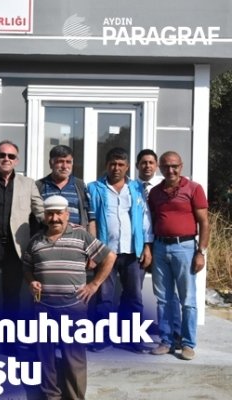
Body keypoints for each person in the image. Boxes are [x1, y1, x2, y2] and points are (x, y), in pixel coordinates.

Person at [23, 195, 115, 400]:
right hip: (43, 307)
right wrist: (31, 281)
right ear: (45, 216)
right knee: (45, 357)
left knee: (74, 358)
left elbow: (109, 257)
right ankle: (51, 396)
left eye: (58, 213)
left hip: (73, 307)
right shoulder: (36, 240)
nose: (54, 218)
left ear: (67, 214)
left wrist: (94, 284)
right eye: (50, 214)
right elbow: (27, 266)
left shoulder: (80, 235)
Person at [87, 147, 153, 353]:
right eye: (113, 164)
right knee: (103, 297)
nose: (116, 168)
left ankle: (132, 337)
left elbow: (145, 219)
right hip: (106, 252)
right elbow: (91, 220)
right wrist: (93, 251)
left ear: (127, 167)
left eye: (121, 164)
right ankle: (102, 337)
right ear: (106, 165)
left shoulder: (136, 188)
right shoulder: (95, 188)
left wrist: (147, 246)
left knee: (134, 298)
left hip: (133, 252)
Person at [148, 151, 209, 361]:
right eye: (166, 166)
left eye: (174, 166)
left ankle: (188, 343)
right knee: (163, 299)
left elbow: (204, 222)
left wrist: (201, 252)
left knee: (188, 299)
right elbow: (153, 220)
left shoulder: (193, 188)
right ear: (160, 168)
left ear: (181, 166)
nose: (170, 170)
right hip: (160, 247)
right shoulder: (155, 192)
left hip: (185, 247)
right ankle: (167, 340)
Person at [0, 140, 44, 317]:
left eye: (11, 156)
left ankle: (9, 332)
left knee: (12, 294)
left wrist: (63, 224)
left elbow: (41, 212)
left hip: (16, 248)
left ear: (17, 160)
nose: (6, 159)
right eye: (2, 155)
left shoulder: (28, 184)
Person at [136, 149, 182, 348]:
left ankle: (176, 332)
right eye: (143, 162)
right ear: (137, 165)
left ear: (156, 166)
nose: (147, 166)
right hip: (140, 245)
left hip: (163, 243)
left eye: (151, 162)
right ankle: (138, 331)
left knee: (170, 292)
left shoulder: (164, 188)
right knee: (138, 290)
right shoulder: (131, 187)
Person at [36, 145, 89, 227]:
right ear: (51, 163)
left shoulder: (80, 185)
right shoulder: (39, 186)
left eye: (68, 162)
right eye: (60, 161)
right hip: (47, 234)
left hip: (75, 235)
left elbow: (89, 217)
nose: (64, 166)